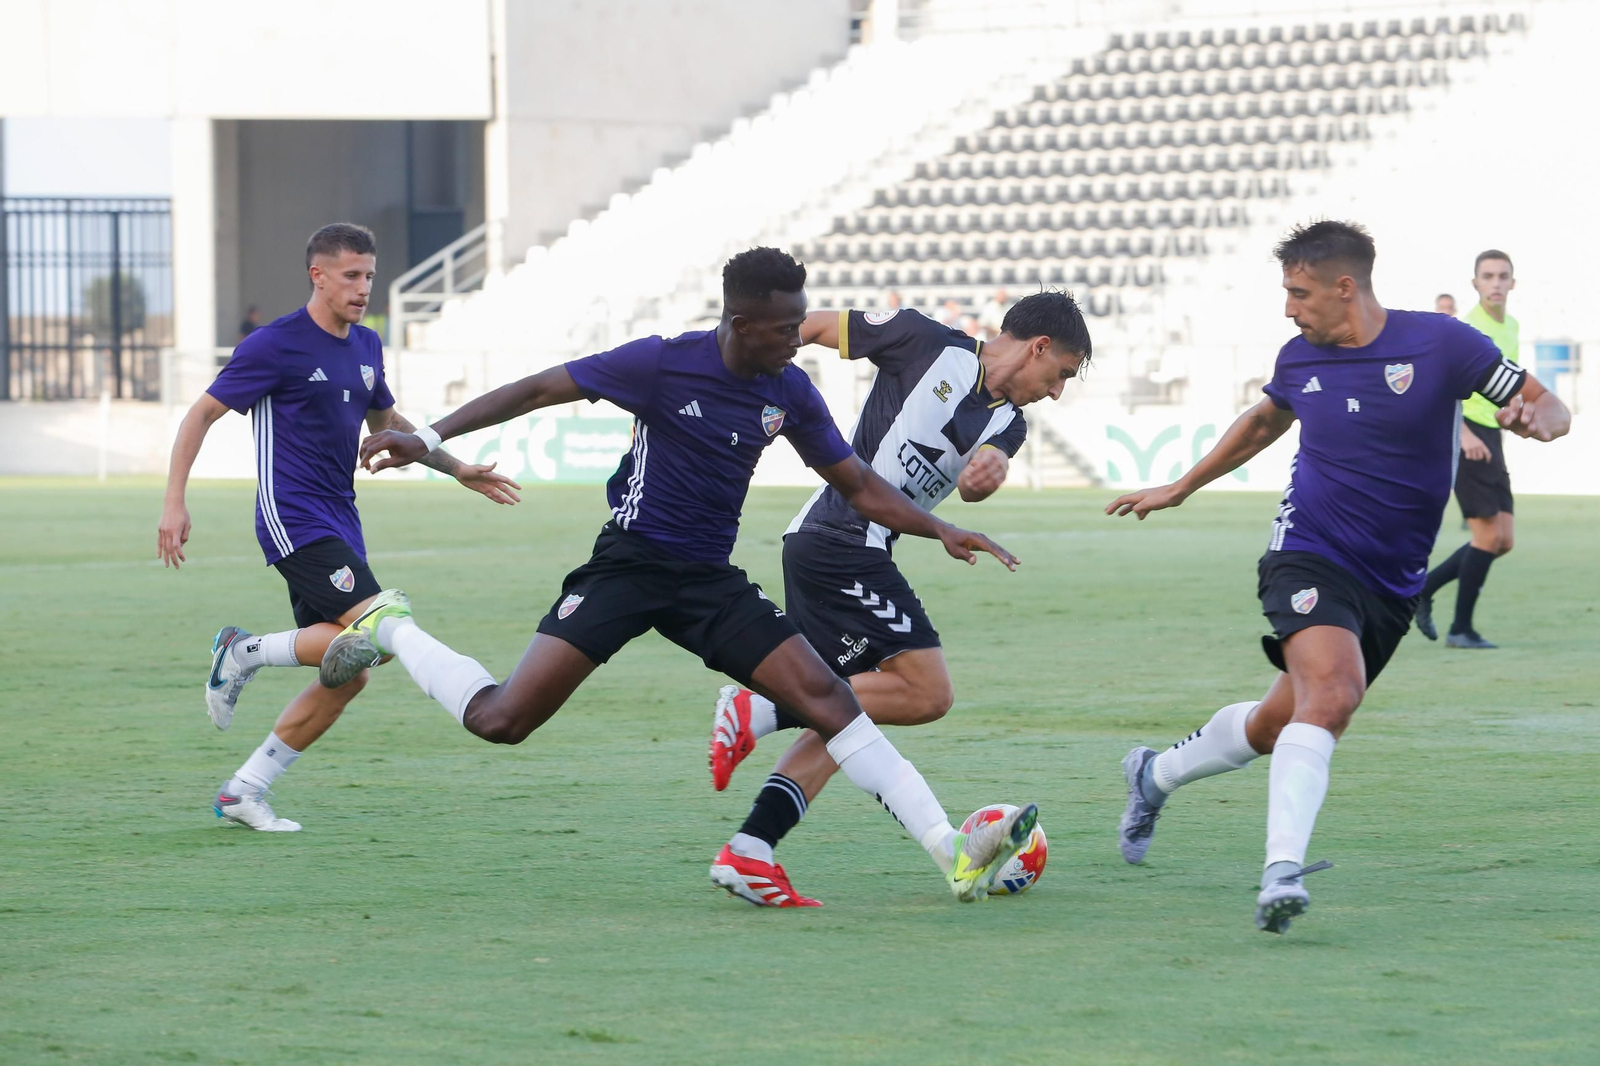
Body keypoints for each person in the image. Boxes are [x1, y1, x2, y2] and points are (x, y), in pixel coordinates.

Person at [337, 247, 1040, 903]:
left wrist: (939, 526)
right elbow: (537, 389)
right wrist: (427, 439)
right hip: (629, 567)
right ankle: (391, 629)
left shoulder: (789, 391)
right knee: (502, 719)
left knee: (833, 701)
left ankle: (949, 849)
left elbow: (856, 483)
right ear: (742, 325)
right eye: (786, 327)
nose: (799, 338)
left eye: (802, 323)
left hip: (708, 582)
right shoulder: (662, 363)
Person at [1106, 221, 1568, 934]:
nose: (1290, 309)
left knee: (1275, 722)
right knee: (1332, 694)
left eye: (1300, 293)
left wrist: (1540, 419)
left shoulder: (1443, 344)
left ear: (1344, 287)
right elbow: (1265, 422)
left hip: (1393, 579)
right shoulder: (1298, 358)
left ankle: (1153, 776)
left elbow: (1551, 404)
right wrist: (1181, 486)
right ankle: (1280, 872)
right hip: (1309, 550)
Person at [705, 292, 1090, 906]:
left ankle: (750, 850)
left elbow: (982, 471)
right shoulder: (922, 341)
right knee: (926, 692)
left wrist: (984, 478)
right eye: (1063, 373)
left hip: (845, 548)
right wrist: (732, 372)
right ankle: (760, 711)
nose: (1058, 391)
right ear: (1039, 346)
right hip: (839, 539)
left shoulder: (1009, 423)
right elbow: (812, 327)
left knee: (844, 718)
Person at [157, 223, 521, 831]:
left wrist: (453, 466)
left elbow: (388, 419)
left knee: (349, 669)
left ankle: (244, 788)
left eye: (369, 276)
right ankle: (241, 653)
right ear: (317, 275)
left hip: (341, 517)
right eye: (351, 276)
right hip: (292, 515)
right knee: (380, 626)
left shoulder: (367, 345)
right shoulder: (274, 345)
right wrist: (174, 501)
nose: (363, 288)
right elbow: (201, 415)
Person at [1417, 251, 1520, 648]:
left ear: (1513, 283)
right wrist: (1461, 434)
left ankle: (1424, 589)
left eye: (1502, 276)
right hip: (1466, 434)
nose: (1495, 283)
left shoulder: (1511, 325)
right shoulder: (1467, 329)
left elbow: (1508, 385)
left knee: (1503, 539)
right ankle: (1461, 629)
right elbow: (1438, 385)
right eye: (1488, 276)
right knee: (1486, 536)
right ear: (1475, 284)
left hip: (1491, 436)